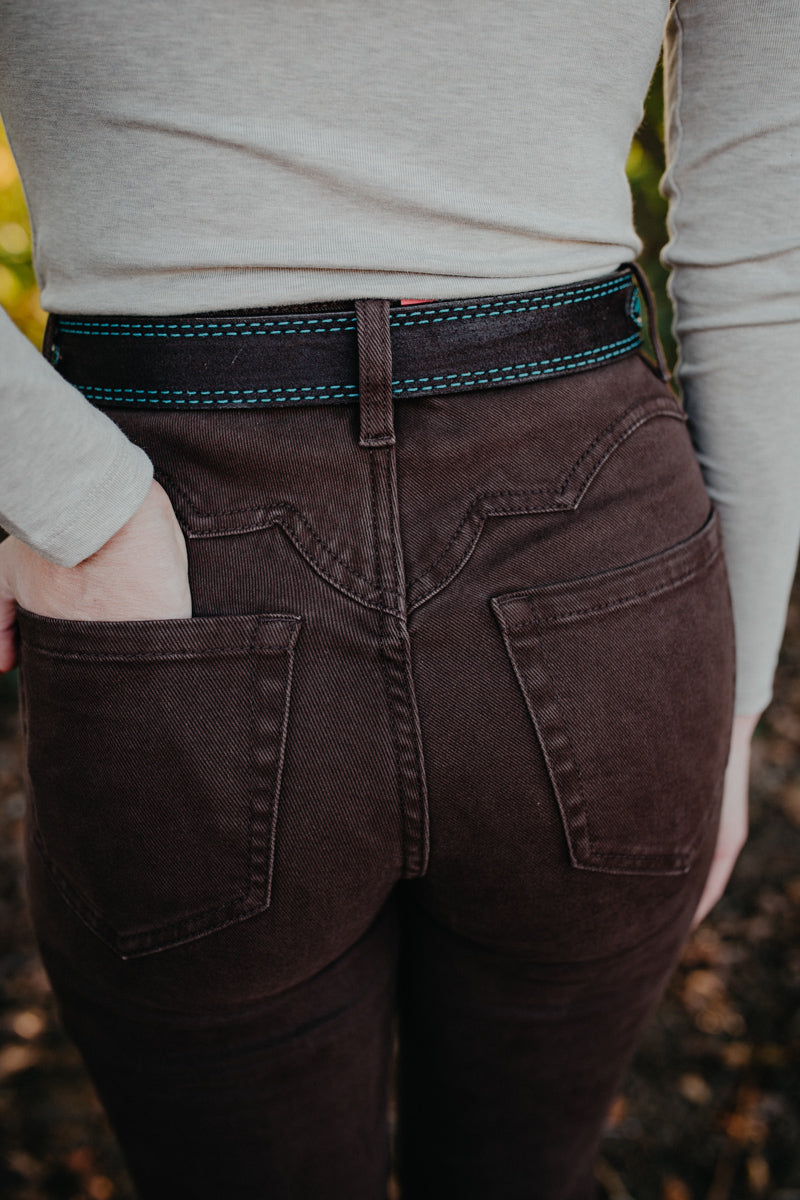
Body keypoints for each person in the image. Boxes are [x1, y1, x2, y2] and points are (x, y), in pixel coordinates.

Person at [0, 3, 797, 1198]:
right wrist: (726, 703)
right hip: (598, 573)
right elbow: (764, 256)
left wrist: (80, 508)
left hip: (178, 555)